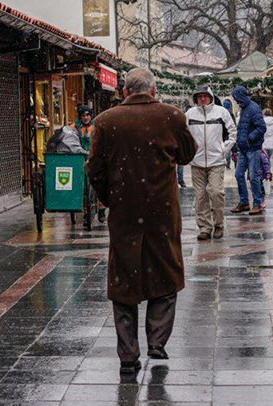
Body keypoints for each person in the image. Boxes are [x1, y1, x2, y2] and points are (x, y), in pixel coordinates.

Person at [86, 68, 197, 374]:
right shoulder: (171, 116)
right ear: (154, 89)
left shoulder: (106, 121)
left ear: (124, 91)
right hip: (162, 210)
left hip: (124, 211)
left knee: (123, 279)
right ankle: (158, 339)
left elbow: (94, 168)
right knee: (166, 270)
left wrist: (111, 197)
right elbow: (187, 154)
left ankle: (128, 354)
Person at [186, 85, 237, 240]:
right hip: (197, 162)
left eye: (205, 96)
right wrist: (189, 152)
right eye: (199, 96)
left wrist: (224, 149)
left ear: (210, 97)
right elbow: (184, 135)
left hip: (216, 161)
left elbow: (232, 132)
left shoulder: (221, 112)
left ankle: (219, 224)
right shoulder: (190, 114)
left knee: (216, 193)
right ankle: (204, 228)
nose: (202, 99)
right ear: (195, 98)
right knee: (200, 196)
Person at [230, 86, 266, 216]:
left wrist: (249, 139)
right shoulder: (244, 108)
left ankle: (257, 204)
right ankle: (244, 202)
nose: (235, 101)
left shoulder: (253, 108)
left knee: (253, 177)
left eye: (236, 98)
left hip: (253, 148)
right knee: (238, 174)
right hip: (244, 149)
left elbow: (262, 127)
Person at [74, 106, 106, 223]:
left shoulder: (96, 126)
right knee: (83, 187)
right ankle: (86, 212)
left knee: (100, 183)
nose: (85, 118)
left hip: (95, 157)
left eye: (87, 115)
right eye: (83, 115)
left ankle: (101, 209)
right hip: (81, 158)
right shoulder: (75, 127)